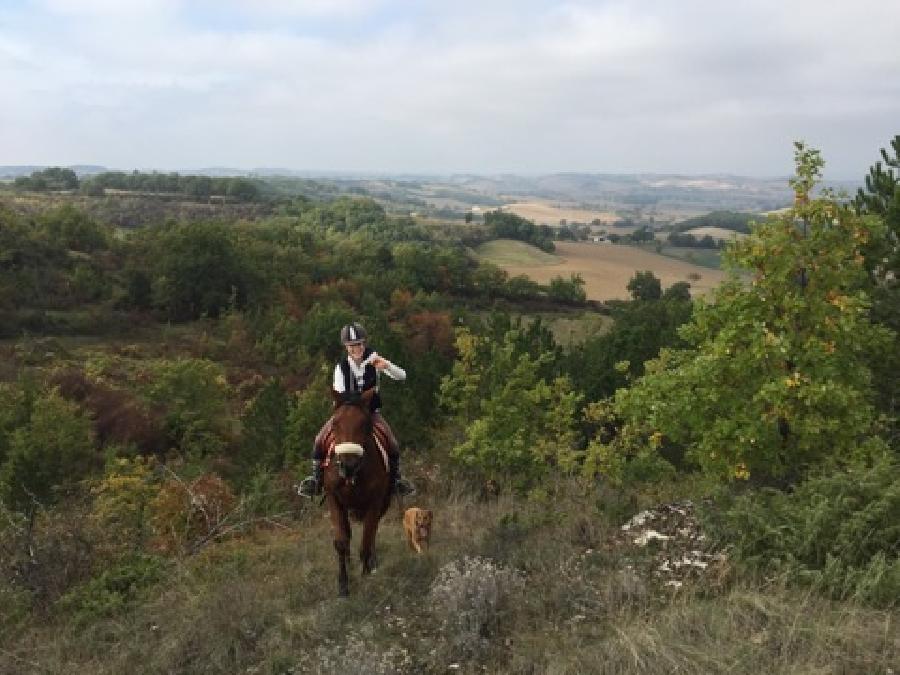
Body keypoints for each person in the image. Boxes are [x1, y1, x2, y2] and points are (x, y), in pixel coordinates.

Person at [298, 322, 415, 498]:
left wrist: (387, 367)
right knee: (320, 439)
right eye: (352, 346)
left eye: (359, 344)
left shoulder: (375, 359)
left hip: (371, 413)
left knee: (391, 441)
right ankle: (315, 479)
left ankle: (397, 480)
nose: (357, 348)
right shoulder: (341, 367)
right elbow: (341, 393)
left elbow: (402, 376)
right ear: (346, 347)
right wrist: (360, 398)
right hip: (346, 414)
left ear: (364, 343)